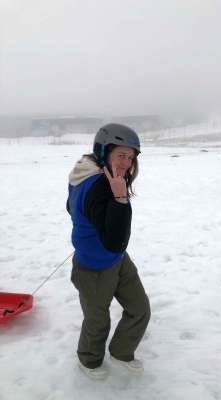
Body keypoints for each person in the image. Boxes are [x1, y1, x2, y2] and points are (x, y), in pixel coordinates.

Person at [67, 123, 151, 380]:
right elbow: (116, 241)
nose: (127, 162)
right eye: (121, 155)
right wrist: (120, 199)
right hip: (94, 266)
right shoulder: (99, 184)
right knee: (97, 321)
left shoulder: (89, 171)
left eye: (131, 156)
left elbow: (71, 207)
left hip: (116, 261)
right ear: (103, 152)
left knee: (140, 308)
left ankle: (121, 351)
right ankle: (89, 360)